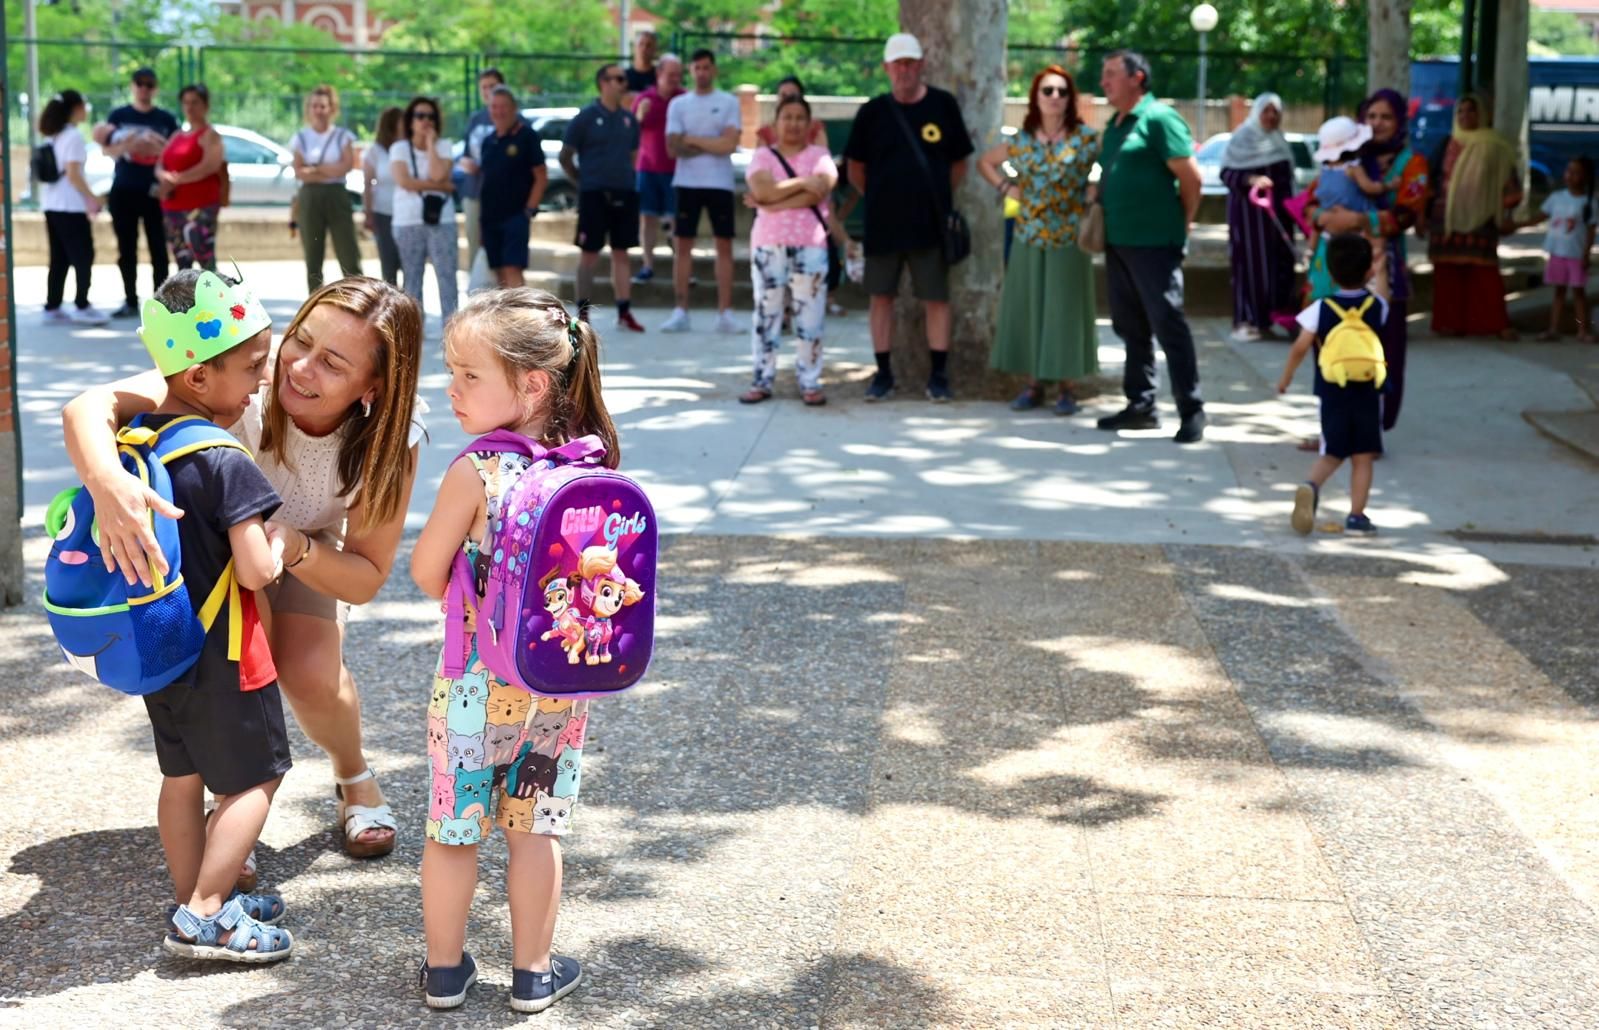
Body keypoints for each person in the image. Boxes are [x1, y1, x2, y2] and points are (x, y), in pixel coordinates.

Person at [63, 277, 425, 866]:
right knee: (226, 674)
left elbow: (366, 575)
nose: (299, 368)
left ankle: (352, 773)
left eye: (332, 363)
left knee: (308, 672)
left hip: (306, 544)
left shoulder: (392, 440)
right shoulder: (240, 369)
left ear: (374, 387)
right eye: (300, 340)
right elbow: (87, 408)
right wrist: (107, 484)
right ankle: (230, 803)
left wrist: (296, 547)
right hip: (218, 548)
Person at [410, 288, 612, 1013]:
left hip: (472, 685)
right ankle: (533, 974)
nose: (452, 389)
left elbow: (425, 571)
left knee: (454, 830)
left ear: (531, 385)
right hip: (555, 685)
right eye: (451, 373)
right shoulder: (587, 468)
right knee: (535, 831)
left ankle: (444, 972)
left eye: (469, 375)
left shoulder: (477, 471)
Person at [131, 269, 294, 963]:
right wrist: (281, 547)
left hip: (161, 648)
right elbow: (254, 570)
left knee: (181, 776)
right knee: (257, 776)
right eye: (253, 366)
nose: (263, 380)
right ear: (199, 376)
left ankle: (196, 894)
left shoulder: (136, 439)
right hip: (227, 652)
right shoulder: (225, 459)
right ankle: (203, 915)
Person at [844, 33, 975, 403]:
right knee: (880, 298)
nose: (904, 70)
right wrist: (882, 198)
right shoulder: (872, 112)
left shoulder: (943, 105)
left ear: (921, 65)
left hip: (930, 226)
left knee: (936, 299)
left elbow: (959, 163)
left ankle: (938, 376)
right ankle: (883, 374)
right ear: (886, 68)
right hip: (883, 226)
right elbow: (855, 169)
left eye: (910, 63)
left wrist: (934, 198)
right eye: (897, 64)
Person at [1094, 50, 1206, 443]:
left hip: (1156, 242)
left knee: (1168, 324)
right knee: (1130, 327)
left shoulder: (1159, 118)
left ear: (1137, 78)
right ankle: (1141, 406)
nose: (1104, 82)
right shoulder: (1116, 124)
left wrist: (1182, 223)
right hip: (1118, 241)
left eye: (1111, 74)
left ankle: (1191, 410)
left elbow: (1191, 179)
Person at [978, 65, 1099, 415]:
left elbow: (1108, 167)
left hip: (1069, 236)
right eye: (1048, 90)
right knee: (1031, 308)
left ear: (1070, 98)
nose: (1055, 97)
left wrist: (1093, 192)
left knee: (1065, 309)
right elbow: (985, 162)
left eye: (1062, 91)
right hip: (1029, 234)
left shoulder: (1085, 138)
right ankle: (1033, 385)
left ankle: (1067, 387)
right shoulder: (1022, 140)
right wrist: (1007, 187)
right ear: (1036, 97)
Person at [1308, 88, 1429, 432]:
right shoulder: (1345, 156)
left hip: (1381, 271)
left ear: (1400, 121)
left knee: (1380, 351)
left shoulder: (1412, 164)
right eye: (1371, 116)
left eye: (1386, 117)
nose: (1377, 123)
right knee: (1329, 347)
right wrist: (1323, 218)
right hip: (1332, 271)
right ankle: (1332, 430)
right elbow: (1310, 201)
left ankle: (1370, 432)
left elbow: (1405, 214)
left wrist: (1359, 220)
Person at [1276, 234, 1391, 536]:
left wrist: (1286, 377)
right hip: (1368, 392)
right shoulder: (1376, 306)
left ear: (1329, 272)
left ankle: (1311, 485)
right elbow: (1385, 297)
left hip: (1332, 391)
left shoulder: (1321, 307)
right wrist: (1381, 271)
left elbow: (1300, 346)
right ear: (1368, 271)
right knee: (1363, 457)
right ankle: (1357, 516)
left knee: (1332, 452)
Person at [740, 94, 838, 406]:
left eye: (799, 118)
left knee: (811, 315)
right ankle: (762, 378)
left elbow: (820, 190)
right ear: (776, 122)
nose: (793, 123)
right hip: (768, 243)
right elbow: (762, 190)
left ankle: (810, 380)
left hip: (810, 242)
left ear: (809, 124)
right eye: (787, 117)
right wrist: (802, 184)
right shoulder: (763, 156)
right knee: (766, 313)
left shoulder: (820, 155)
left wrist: (772, 203)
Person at [1426, 94, 1522, 340]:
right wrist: (1421, 216)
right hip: (1445, 219)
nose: (1465, 116)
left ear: (1482, 114)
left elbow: (1512, 187)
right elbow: (1431, 180)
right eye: (1460, 111)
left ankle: (1495, 324)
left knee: (1485, 274)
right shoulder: (1447, 143)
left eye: (1471, 111)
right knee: (1447, 274)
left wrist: (1501, 210)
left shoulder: (1495, 146)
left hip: (1482, 219)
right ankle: (1450, 324)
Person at [660, 49, 742, 335]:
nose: (702, 72)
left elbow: (729, 145)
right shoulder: (678, 105)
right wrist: (713, 142)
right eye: (697, 67)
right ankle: (680, 311)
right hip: (687, 183)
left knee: (724, 246)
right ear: (691, 71)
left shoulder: (729, 102)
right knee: (682, 247)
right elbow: (673, 147)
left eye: (707, 67)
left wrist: (692, 139)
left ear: (714, 70)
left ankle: (725, 313)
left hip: (720, 183)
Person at [562, 64, 644, 332]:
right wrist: (583, 182)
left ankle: (625, 311)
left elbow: (633, 157)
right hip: (593, 195)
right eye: (618, 78)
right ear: (603, 83)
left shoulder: (629, 120)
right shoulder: (585, 117)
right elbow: (565, 156)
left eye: (624, 79)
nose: (624, 83)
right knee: (589, 255)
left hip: (624, 193)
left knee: (622, 253)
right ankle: (582, 315)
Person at [94, 67, 179, 319]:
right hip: (124, 191)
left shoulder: (165, 119)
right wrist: (130, 144)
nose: (144, 88)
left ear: (155, 88)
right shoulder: (119, 115)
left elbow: (174, 153)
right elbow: (107, 150)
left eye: (149, 84)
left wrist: (155, 148)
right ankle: (130, 300)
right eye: (139, 83)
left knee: (159, 250)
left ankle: (161, 305)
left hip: (155, 193)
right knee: (126, 249)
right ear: (132, 86)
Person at [1220, 93, 1298, 341]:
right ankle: (1246, 320)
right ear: (1256, 112)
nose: (1271, 116)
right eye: (1266, 111)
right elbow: (1226, 174)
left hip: (1278, 219)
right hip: (1249, 220)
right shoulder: (1242, 138)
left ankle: (1273, 317)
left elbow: (1288, 178)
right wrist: (1250, 179)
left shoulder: (1279, 141)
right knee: (1250, 267)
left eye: (1275, 112)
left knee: (1280, 266)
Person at [40, 90, 109, 326]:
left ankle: (53, 306)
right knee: (83, 255)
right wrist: (94, 198)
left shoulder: (53, 136)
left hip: (51, 205)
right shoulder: (73, 136)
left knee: (58, 258)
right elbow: (73, 174)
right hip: (70, 207)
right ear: (76, 108)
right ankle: (82, 305)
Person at [1303, 116, 1386, 301]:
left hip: (1326, 237)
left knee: (1323, 290)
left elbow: (1315, 207)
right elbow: (1370, 188)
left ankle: (1309, 252)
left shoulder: (1324, 171)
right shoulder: (1353, 169)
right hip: (1357, 236)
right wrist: (1386, 186)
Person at [391, 96, 459, 320]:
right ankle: (414, 333)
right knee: (412, 282)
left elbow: (438, 174)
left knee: (447, 278)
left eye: (430, 116)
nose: (425, 121)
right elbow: (404, 181)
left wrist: (430, 144)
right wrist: (443, 187)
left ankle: (452, 332)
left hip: (442, 221)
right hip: (407, 221)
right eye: (420, 116)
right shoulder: (399, 148)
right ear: (410, 121)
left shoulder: (444, 146)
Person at [292, 84, 363, 292]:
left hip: (336, 194)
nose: (318, 111)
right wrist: (329, 169)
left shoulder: (343, 136)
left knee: (347, 250)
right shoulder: (301, 137)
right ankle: (314, 299)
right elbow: (299, 171)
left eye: (323, 106)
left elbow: (345, 167)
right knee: (313, 254)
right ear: (309, 108)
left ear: (332, 108)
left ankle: (356, 295)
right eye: (314, 106)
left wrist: (315, 168)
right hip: (309, 196)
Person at [478, 85, 548, 288]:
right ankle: (504, 310)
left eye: (503, 106)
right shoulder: (488, 141)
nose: (499, 111)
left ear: (514, 108)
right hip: (490, 218)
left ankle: (520, 309)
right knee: (498, 272)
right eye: (494, 106)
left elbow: (541, 176)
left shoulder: (527, 136)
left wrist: (528, 210)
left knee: (512, 269)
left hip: (516, 216)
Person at [1524, 157, 1597, 341]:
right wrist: (1517, 224)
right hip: (1557, 252)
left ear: (1585, 177)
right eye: (1568, 171)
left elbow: (1591, 230)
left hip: (1576, 254)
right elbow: (1540, 216)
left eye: (1576, 173)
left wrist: (1586, 254)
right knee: (1559, 291)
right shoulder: (1556, 198)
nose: (1570, 176)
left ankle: (1583, 331)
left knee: (1578, 292)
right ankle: (1553, 329)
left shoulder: (1589, 203)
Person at [157, 85, 225, 274]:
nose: (190, 107)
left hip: (201, 206)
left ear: (205, 105)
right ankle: (187, 294)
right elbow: (160, 164)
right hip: (173, 207)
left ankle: (216, 294)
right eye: (186, 102)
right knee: (182, 262)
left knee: (205, 260)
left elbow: (210, 165)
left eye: (195, 102)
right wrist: (164, 177)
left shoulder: (210, 135)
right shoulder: (177, 136)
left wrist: (178, 179)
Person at [631, 54, 683, 285]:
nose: (675, 79)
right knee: (647, 218)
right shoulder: (645, 99)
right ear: (659, 74)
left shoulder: (684, 98)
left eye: (678, 75)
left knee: (677, 222)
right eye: (670, 74)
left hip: (677, 169)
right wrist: (639, 116)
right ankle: (647, 266)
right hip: (647, 168)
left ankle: (682, 268)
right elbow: (631, 132)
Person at [456, 68, 505, 284]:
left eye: (492, 86)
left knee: (501, 251)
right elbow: (466, 154)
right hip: (474, 191)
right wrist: (467, 163)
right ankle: (478, 296)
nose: (488, 91)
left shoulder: (512, 119)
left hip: (502, 196)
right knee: (475, 247)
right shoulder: (475, 119)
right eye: (484, 87)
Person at [363, 107, 404, 286]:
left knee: (410, 265)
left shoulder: (409, 148)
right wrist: (368, 213)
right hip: (383, 213)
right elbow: (367, 184)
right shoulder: (375, 152)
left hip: (408, 214)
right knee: (388, 265)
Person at [755, 76, 828, 148]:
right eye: (783, 95)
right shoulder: (765, 133)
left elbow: (822, 152)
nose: (788, 99)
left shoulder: (815, 128)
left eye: (792, 95)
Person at [624, 29, 658, 98]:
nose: (644, 48)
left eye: (649, 45)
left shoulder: (659, 76)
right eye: (640, 44)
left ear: (654, 50)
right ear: (634, 48)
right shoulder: (623, 76)